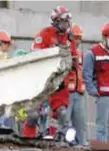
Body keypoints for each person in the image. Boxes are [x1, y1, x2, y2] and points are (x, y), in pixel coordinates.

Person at [32, 5, 77, 139]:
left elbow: (74, 58)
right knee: (38, 113)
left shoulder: (69, 38)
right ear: (56, 21)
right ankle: (33, 136)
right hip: (44, 80)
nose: (66, 24)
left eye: (67, 21)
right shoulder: (45, 34)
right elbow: (36, 55)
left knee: (61, 112)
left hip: (60, 82)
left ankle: (57, 137)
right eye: (63, 21)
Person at [65, 23, 87, 145]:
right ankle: (66, 144)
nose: (77, 40)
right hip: (67, 93)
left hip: (79, 92)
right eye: (76, 37)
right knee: (66, 122)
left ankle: (81, 144)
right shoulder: (64, 52)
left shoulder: (80, 53)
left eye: (79, 38)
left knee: (80, 122)